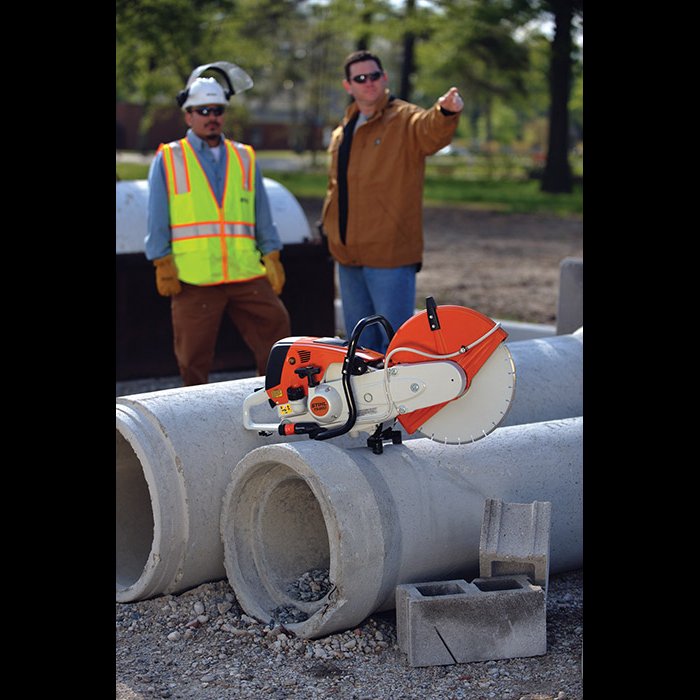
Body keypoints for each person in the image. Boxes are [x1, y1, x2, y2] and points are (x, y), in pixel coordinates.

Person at [145, 73, 291, 386]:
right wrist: (161, 260)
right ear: (188, 115)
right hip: (195, 278)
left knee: (276, 331)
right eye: (203, 111)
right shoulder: (169, 158)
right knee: (192, 355)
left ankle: (274, 398)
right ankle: (196, 407)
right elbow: (157, 215)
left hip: (245, 273)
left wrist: (271, 253)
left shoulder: (244, 156)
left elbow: (261, 211)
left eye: (217, 110)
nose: (211, 117)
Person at [320, 50, 464, 354]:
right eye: (360, 78)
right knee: (359, 348)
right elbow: (336, 188)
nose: (368, 82)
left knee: (396, 345)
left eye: (374, 76)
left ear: (384, 78)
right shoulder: (343, 130)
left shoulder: (405, 118)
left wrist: (445, 112)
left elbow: (430, 129)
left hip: (389, 254)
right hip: (347, 255)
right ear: (348, 85)